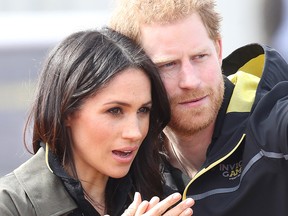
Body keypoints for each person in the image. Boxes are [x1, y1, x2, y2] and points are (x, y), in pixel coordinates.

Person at [109, 0, 288, 215]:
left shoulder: (273, 121)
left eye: (200, 57)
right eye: (168, 64)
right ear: (135, 72)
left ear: (218, 50)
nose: (191, 81)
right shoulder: (123, 156)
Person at [0, 27, 195, 216]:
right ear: (67, 111)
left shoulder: (165, 197)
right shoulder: (11, 205)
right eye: (115, 111)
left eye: (143, 110)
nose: (135, 132)